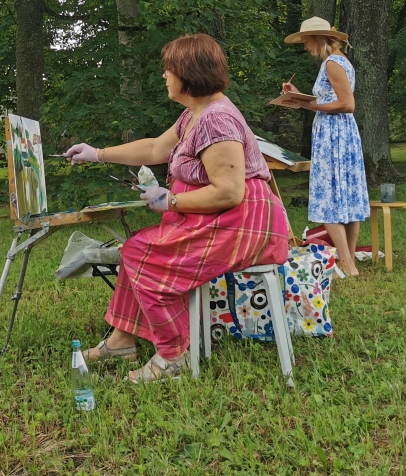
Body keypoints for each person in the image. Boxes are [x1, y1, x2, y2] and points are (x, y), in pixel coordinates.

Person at [63, 34, 290, 383]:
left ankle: (174, 356)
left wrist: (170, 200)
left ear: (188, 72)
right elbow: (156, 148)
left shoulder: (216, 120)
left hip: (242, 223)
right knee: (138, 245)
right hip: (223, 219)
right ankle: (123, 339)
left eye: (168, 69)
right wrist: (97, 153)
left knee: (141, 251)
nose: (164, 76)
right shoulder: (194, 115)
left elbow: (230, 192)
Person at [281, 16, 369, 276]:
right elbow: (331, 99)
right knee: (348, 197)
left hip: (335, 135)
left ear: (318, 38)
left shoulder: (333, 63)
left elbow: (347, 104)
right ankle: (348, 260)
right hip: (340, 133)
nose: (305, 47)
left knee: (329, 197)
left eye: (306, 41)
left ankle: (347, 262)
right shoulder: (336, 62)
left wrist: (307, 105)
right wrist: (299, 95)